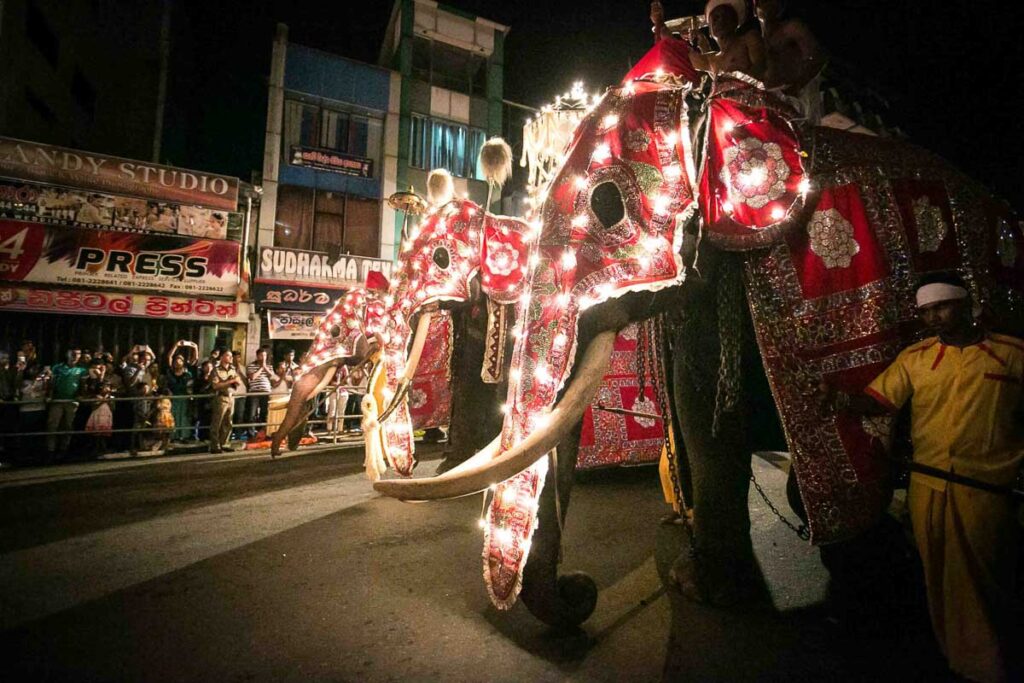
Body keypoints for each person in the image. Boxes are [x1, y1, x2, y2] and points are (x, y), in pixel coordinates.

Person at [830, 273, 1022, 682]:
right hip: (929, 486)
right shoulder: (915, 358)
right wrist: (839, 399)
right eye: (927, 311)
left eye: (942, 307)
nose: (934, 317)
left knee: (987, 577)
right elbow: (879, 401)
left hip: (986, 489)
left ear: (966, 304)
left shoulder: (1012, 354)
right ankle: (957, 659)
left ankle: (993, 664)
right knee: (938, 575)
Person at [654, 0, 765, 81]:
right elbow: (676, 50)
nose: (717, 20)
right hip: (724, 111)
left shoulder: (748, 39)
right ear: (710, 31)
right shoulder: (712, 60)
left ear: (735, 21)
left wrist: (735, 81)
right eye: (714, 18)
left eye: (723, 15)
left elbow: (763, 71)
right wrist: (658, 20)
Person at [755, 0, 826, 122]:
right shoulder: (755, 40)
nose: (765, 4)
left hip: (799, 98)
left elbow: (817, 58)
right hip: (772, 100)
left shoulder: (793, 28)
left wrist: (798, 85)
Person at [47, 349, 87, 458]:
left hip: (72, 400)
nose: (75, 355)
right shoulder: (57, 367)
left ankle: (64, 449)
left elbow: (83, 384)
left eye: (78, 353)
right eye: (73, 353)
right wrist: (49, 395)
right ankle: (51, 450)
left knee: (68, 425)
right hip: (57, 400)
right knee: (53, 425)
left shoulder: (82, 369)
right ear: (67, 354)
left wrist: (81, 395)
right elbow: (52, 382)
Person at [209, 350, 242, 453]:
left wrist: (236, 381)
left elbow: (238, 381)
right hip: (221, 398)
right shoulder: (216, 370)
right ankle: (215, 445)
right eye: (228, 355)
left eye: (231, 356)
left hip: (231, 397)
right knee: (217, 422)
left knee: (228, 422)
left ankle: (224, 443)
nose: (231, 358)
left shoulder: (232, 369)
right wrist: (230, 381)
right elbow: (215, 385)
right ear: (222, 357)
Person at [165, 342, 197, 442]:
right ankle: (173, 436)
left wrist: (195, 347)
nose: (178, 361)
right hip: (173, 397)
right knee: (173, 416)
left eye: (180, 360)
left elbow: (195, 359)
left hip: (184, 397)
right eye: (176, 359)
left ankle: (183, 436)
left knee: (184, 417)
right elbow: (169, 357)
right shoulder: (170, 371)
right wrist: (176, 345)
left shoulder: (187, 371)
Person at [19, 367, 50, 460]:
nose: (34, 371)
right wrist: (34, 383)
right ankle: (25, 454)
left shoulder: (43, 381)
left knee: (37, 433)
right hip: (26, 410)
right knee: (27, 433)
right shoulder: (24, 382)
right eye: (32, 369)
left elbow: (45, 392)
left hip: (39, 409)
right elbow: (26, 391)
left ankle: (37, 454)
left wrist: (46, 379)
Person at [245, 347, 276, 438]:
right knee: (252, 413)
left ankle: (263, 432)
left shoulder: (269, 366)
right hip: (255, 392)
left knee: (264, 413)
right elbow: (253, 377)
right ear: (257, 356)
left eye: (265, 355)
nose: (263, 357)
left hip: (265, 392)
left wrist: (265, 367)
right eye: (261, 355)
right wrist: (261, 368)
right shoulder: (251, 365)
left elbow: (272, 376)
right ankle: (251, 433)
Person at [84, 382, 113, 457]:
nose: (107, 389)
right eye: (105, 387)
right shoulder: (96, 396)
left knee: (104, 434)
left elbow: (113, 408)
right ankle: (96, 449)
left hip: (106, 416)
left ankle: (103, 448)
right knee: (97, 434)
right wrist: (102, 401)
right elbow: (93, 406)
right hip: (97, 416)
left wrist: (109, 400)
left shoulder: (110, 397)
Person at [265, 360, 290, 438]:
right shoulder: (273, 376)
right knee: (274, 417)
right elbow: (275, 385)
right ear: (277, 369)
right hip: (275, 398)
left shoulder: (287, 377)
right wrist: (282, 377)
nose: (283, 369)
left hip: (284, 398)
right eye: (281, 368)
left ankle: (283, 432)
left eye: (284, 368)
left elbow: (290, 386)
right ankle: (272, 432)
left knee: (283, 417)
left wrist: (285, 377)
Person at [153, 388, 175, 452]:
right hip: (163, 415)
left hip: (167, 416)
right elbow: (158, 406)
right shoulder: (161, 399)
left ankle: (165, 445)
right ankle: (162, 445)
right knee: (162, 432)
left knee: (167, 432)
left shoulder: (167, 400)